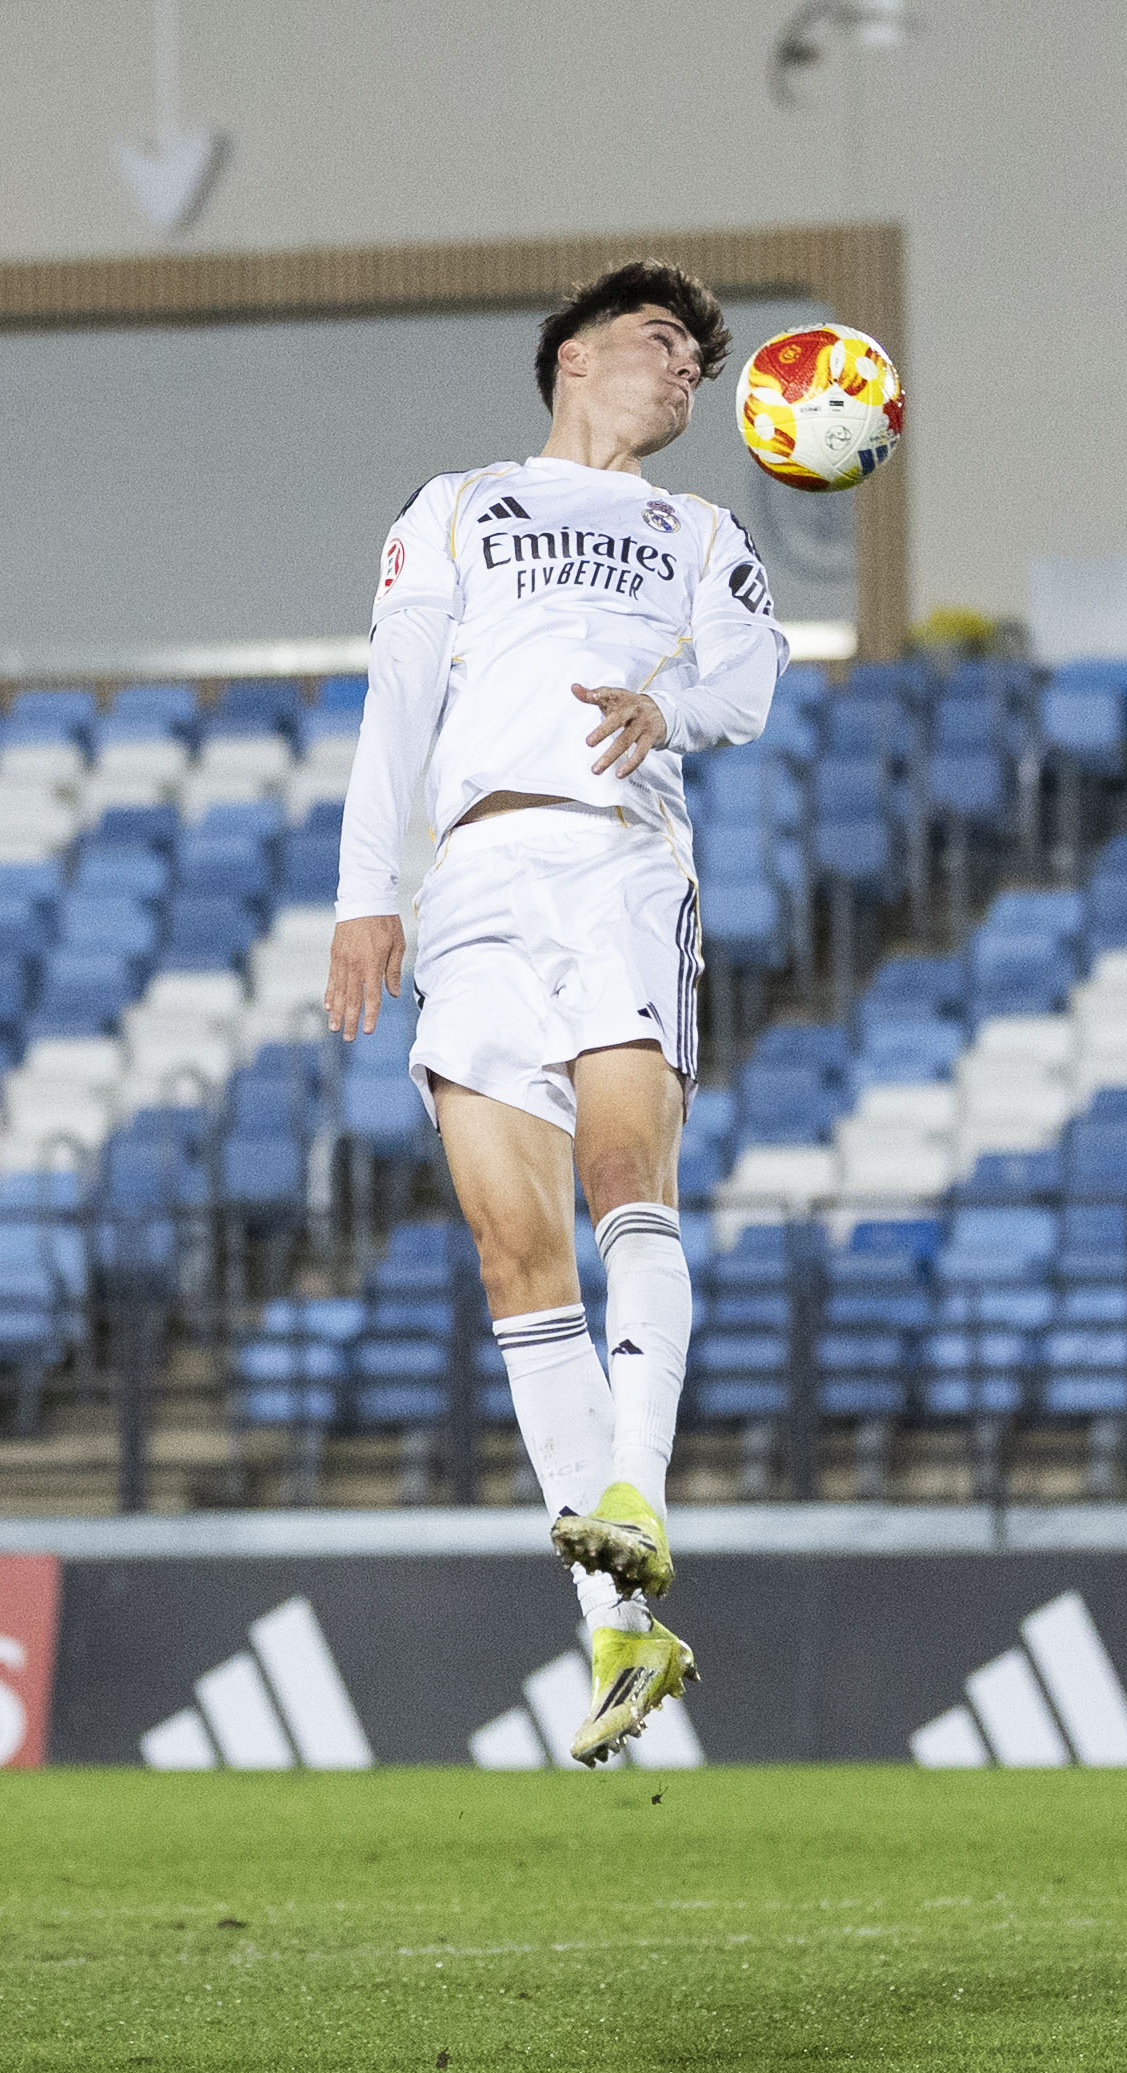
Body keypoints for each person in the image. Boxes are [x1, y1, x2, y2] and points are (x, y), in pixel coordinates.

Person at [324, 261, 779, 1765]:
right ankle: (621, 1634)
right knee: (512, 1250)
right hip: (470, 877)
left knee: (620, 1179)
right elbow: (396, 700)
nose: (684, 378)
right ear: (576, 355)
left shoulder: (702, 533)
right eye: (664, 347)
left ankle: (633, 1489)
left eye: (699, 371)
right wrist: (361, 896)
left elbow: (751, 684)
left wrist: (674, 710)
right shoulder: (453, 506)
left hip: (617, 858)